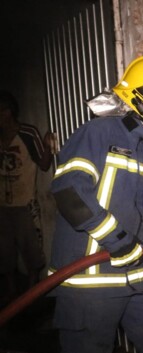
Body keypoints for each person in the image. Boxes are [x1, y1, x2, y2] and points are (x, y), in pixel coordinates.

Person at [49, 55, 143, 353]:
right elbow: (69, 191)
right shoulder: (98, 133)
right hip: (91, 286)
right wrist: (116, 238)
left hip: (141, 278)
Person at [0, 90, 52, 305]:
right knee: (4, 251)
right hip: (2, 205)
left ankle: (31, 292)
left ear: (8, 112)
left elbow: (44, 164)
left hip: (24, 203)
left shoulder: (27, 133)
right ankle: (12, 290)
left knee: (31, 249)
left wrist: (49, 145)